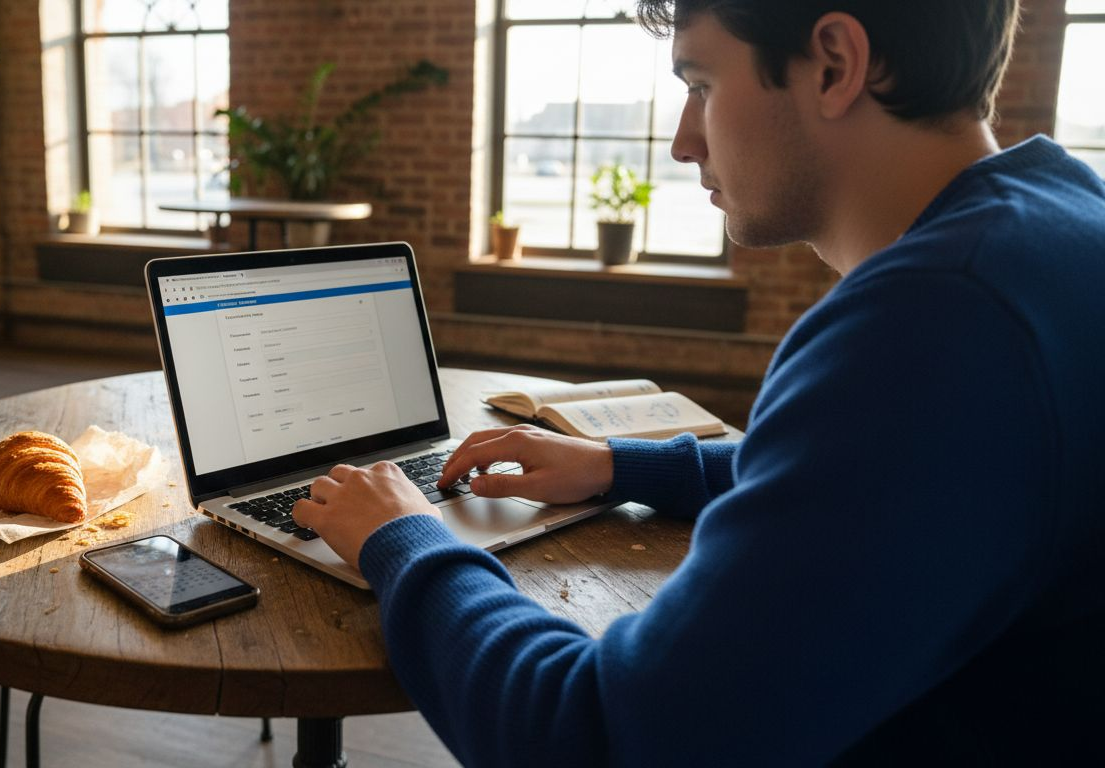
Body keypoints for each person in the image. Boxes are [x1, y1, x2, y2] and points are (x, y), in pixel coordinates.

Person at [290, 0, 1105, 764]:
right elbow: (892, 487)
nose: (684, 141)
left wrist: (404, 539)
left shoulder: (930, 324)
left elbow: (598, 738)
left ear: (832, 63)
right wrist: (620, 465)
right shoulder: (1056, 229)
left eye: (702, 85)